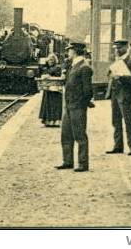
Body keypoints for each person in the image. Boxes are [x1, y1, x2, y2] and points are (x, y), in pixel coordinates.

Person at [56, 42, 94, 172]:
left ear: (75, 51)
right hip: (68, 105)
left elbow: (88, 91)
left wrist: (81, 103)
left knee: (79, 135)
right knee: (66, 134)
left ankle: (83, 164)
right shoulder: (73, 66)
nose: (68, 53)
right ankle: (67, 161)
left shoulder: (84, 68)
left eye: (70, 51)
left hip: (77, 106)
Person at [106, 39, 131, 156]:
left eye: (119, 48)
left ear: (126, 48)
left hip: (126, 96)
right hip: (115, 95)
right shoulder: (117, 61)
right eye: (116, 48)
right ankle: (118, 146)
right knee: (115, 121)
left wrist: (120, 77)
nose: (117, 51)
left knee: (128, 121)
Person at [38, 54, 63, 127]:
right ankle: (47, 121)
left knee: (54, 105)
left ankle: (55, 121)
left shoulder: (57, 67)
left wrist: (49, 76)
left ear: (55, 60)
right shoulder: (46, 68)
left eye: (52, 60)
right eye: (49, 60)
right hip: (48, 89)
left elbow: (58, 76)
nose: (50, 61)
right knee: (47, 104)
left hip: (55, 89)